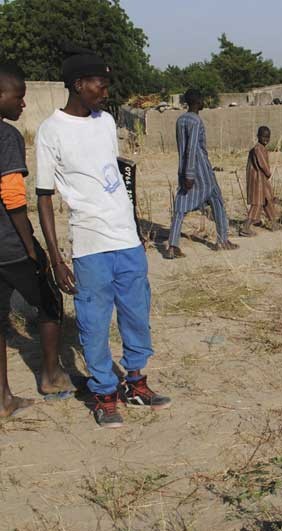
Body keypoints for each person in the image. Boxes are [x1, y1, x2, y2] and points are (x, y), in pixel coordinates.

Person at [35, 51, 170, 429]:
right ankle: (105, 395)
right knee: (94, 324)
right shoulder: (51, 130)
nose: (106, 92)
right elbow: (43, 196)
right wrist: (56, 258)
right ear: (79, 85)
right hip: (90, 244)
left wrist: (134, 228)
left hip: (126, 240)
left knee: (136, 315)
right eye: (101, 85)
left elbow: (113, 177)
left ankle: (135, 383)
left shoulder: (106, 121)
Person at [0, 64, 76, 419]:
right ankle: (51, 376)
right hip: (10, 245)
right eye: (18, 97)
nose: (23, 104)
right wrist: (32, 247)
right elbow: (13, 195)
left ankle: (4, 399)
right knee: (49, 300)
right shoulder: (7, 136)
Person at [164, 89, 238, 259]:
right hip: (200, 169)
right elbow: (192, 148)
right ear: (197, 102)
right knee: (217, 200)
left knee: (181, 205)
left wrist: (185, 172)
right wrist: (190, 174)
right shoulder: (196, 121)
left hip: (184, 168)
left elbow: (182, 149)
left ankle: (173, 245)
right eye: (202, 99)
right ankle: (222, 240)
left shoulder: (181, 120)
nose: (204, 102)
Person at [239, 126, 282, 237]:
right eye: (263, 137)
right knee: (257, 203)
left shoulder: (261, 148)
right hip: (257, 180)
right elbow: (262, 164)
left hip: (262, 180)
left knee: (268, 200)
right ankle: (245, 228)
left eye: (268, 137)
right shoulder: (258, 149)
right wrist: (268, 173)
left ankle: (274, 224)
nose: (266, 139)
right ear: (258, 136)